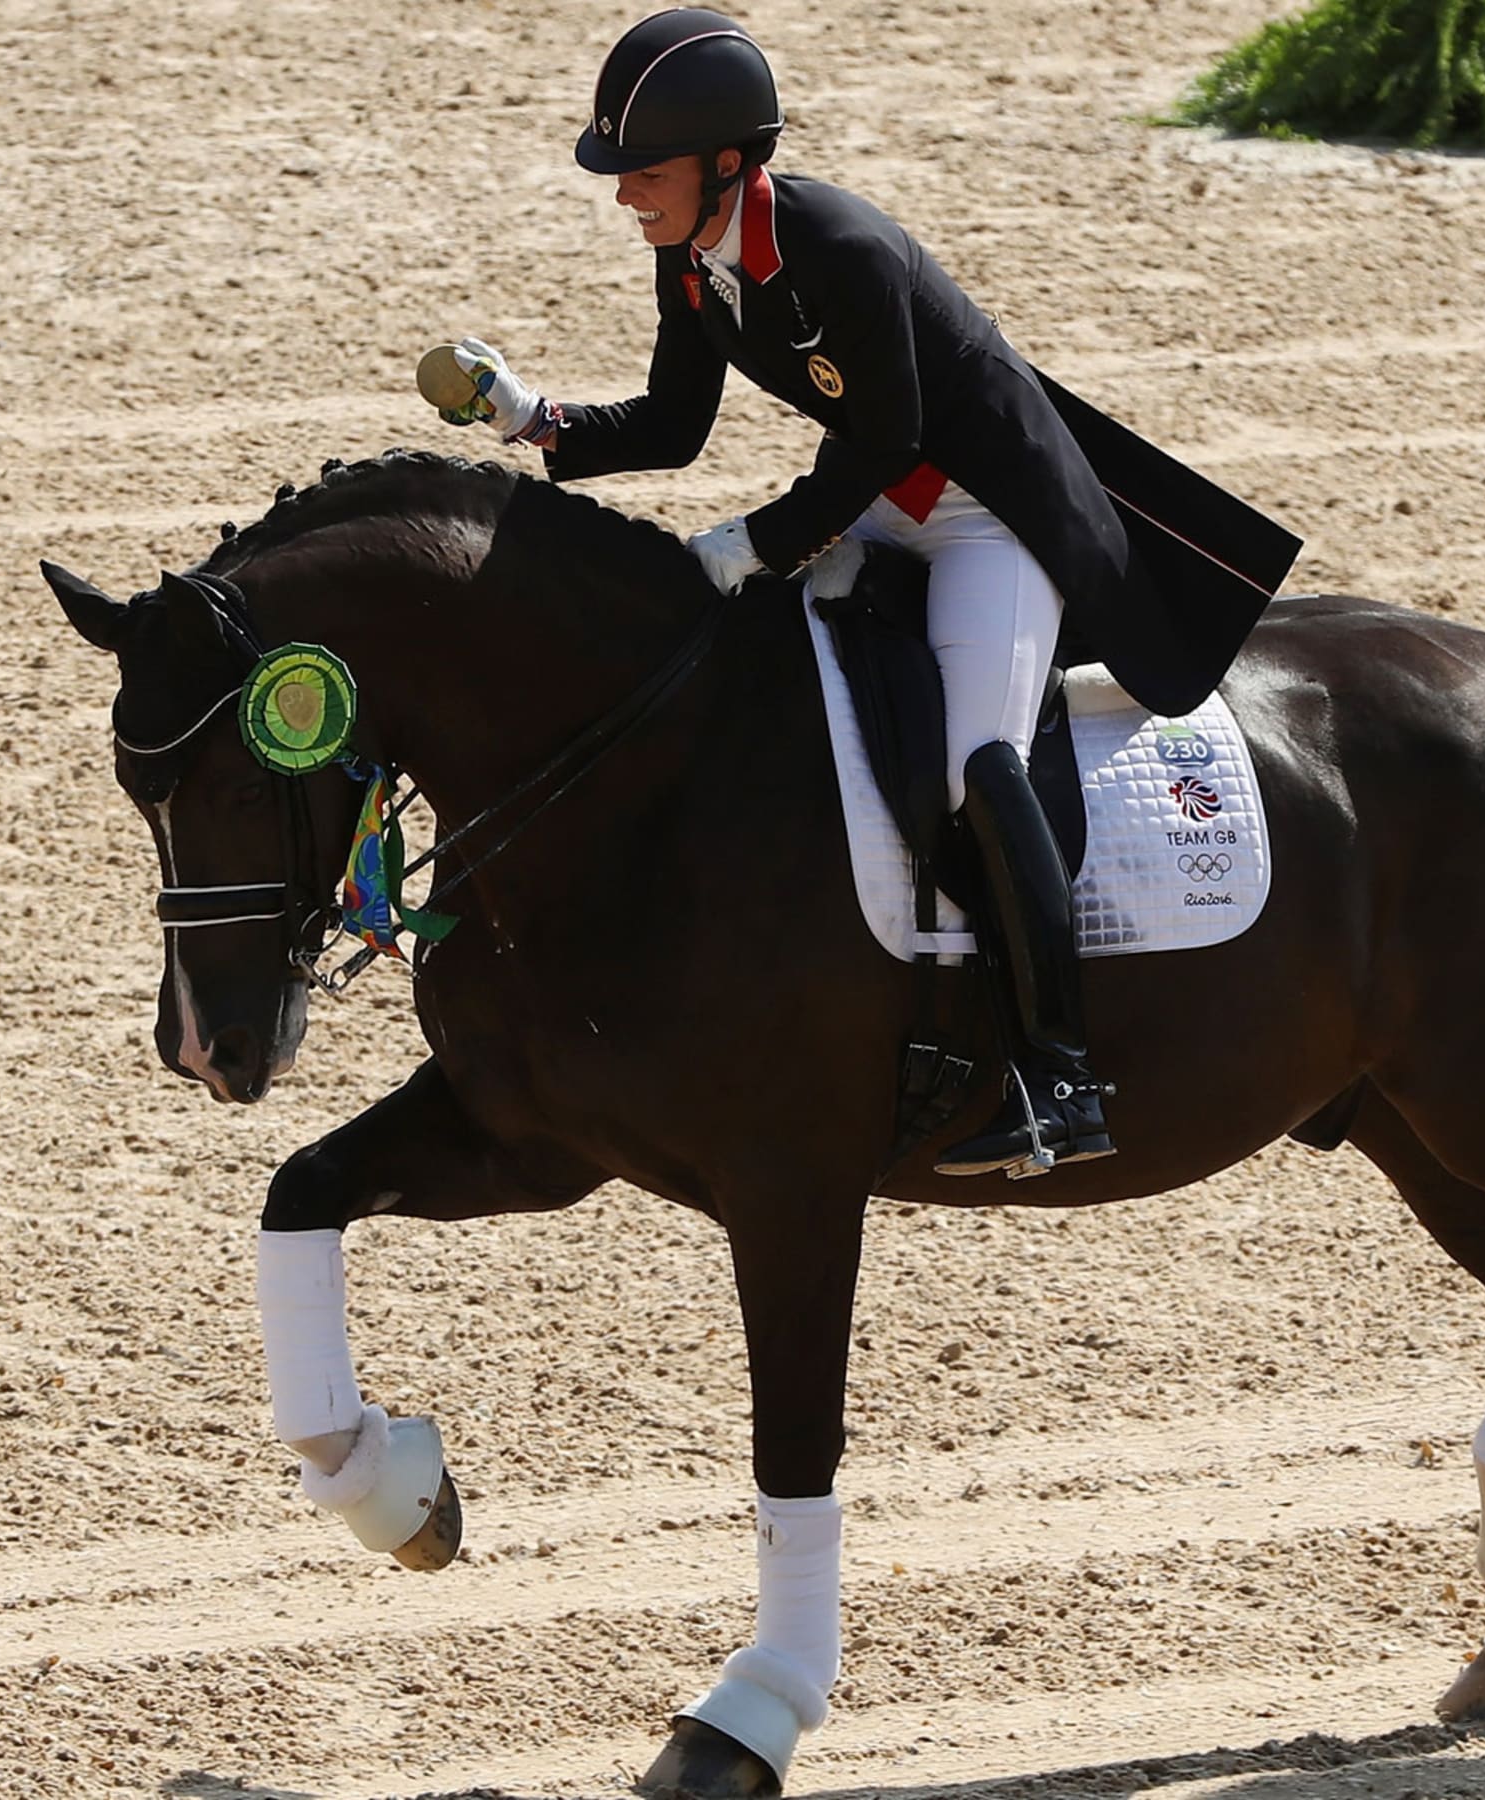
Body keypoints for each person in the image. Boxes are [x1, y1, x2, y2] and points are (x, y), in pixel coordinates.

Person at [430, 8, 1294, 1180]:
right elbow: (678, 426)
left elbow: (883, 439)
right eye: (621, 176)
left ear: (727, 164)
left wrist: (759, 542)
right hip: (891, 500)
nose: (626, 196)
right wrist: (535, 419)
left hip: (996, 518)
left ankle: (1058, 1078)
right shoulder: (691, 255)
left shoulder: (841, 249)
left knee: (973, 762)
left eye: (645, 173)